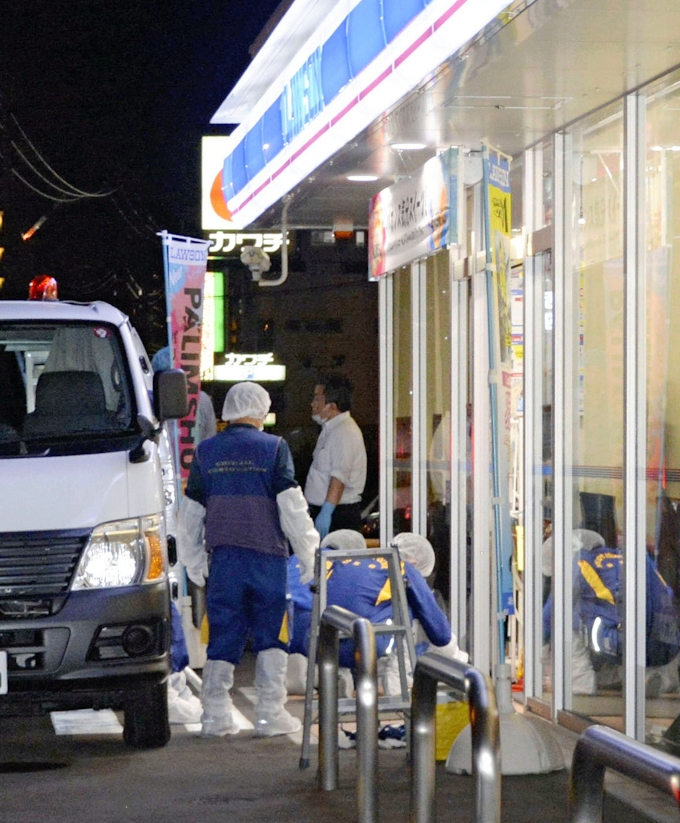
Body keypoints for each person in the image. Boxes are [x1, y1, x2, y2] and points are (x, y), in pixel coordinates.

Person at [177, 381, 319, 738]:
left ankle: (214, 716)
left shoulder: (206, 452)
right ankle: (270, 714)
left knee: (223, 633)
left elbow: (191, 513)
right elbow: (291, 507)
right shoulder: (274, 448)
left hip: (223, 558)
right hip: (267, 557)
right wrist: (309, 554)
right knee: (272, 633)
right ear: (260, 409)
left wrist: (192, 560)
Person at [288, 530, 466, 696]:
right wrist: (456, 658)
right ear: (414, 563)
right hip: (361, 646)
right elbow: (439, 630)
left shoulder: (331, 565)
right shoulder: (403, 568)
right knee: (410, 608)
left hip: (305, 638)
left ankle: (323, 675)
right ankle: (396, 683)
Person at [304, 373, 367, 539]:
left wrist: (327, 511)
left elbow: (339, 477)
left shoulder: (344, 431)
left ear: (331, 405)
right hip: (327, 512)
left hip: (338, 515)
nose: (312, 404)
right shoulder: (330, 430)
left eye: (317, 399)